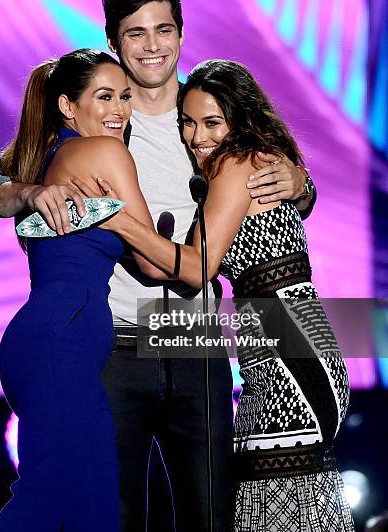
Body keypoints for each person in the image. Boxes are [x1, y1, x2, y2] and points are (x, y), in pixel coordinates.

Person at [0, 0, 316, 531]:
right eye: (136, 34)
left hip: (196, 342)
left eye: (164, 30)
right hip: (116, 345)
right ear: (114, 40)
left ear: (181, 34)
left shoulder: (206, 109)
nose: (153, 45)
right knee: (115, 512)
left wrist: (301, 184)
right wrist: (27, 191)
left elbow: (270, 185)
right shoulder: (102, 115)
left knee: (211, 515)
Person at [98, 59, 354, 531]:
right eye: (188, 123)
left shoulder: (237, 163)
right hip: (288, 342)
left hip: (291, 355)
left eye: (212, 122)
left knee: (272, 511)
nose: (198, 137)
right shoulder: (251, 160)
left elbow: (196, 268)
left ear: (241, 119)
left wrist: (114, 218)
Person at [0, 48, 154, 531]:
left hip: (47, 337)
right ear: (67, 106)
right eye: (104, 97)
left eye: (125, 97)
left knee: (89, 506)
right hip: (66, 334)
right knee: (52, 500)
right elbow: (151, 258)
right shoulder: (103, 151)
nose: (119, 110)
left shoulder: (39, 159)